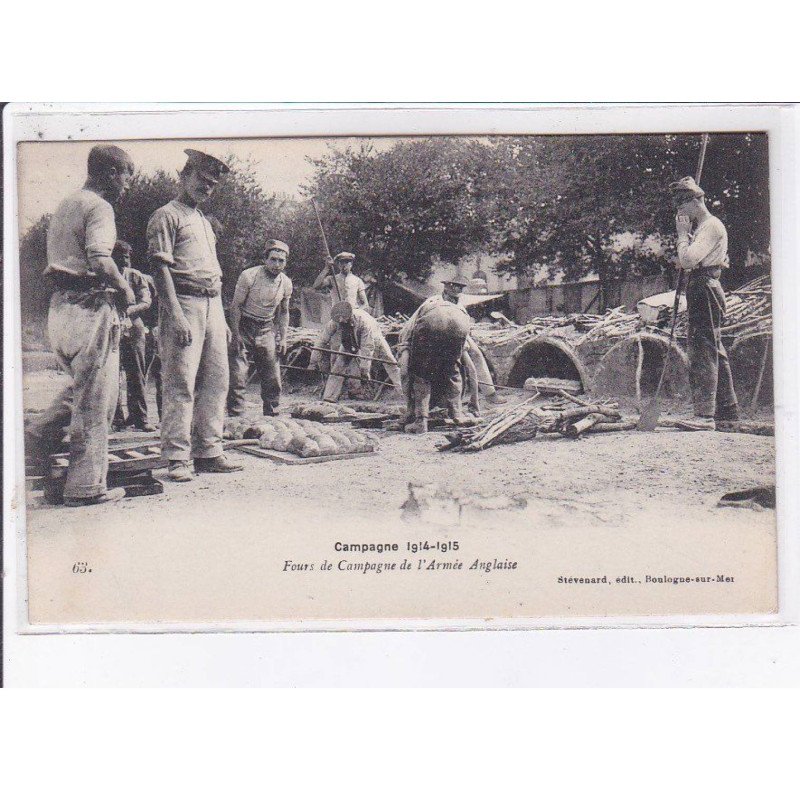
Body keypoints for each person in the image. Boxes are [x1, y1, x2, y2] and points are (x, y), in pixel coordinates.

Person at [25, 144, 135, 505]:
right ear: (109, 173)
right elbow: (100, 259)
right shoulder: (99, 206)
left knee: (81, 389)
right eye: (126, 175)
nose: (128, 185)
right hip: (90, 307)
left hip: (60, 308)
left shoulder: (66, 204)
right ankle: (86, 489)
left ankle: (40, 431)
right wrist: (125, 289)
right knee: (97, 401)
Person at [146, 148, 242, 481]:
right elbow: (160, 269)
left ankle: (209, 451)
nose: (206, 188)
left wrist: (224, 319)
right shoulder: (165, 215)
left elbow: (212, 270)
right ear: (185, 175)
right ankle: (176, 457)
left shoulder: (202, 220)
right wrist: (174, 314)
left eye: (212, 184)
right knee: (180, 383)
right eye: (202, 180)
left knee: (218, 381)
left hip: (212, 304)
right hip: (183, 303)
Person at [669, 176, 740, 431]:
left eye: (681, 207)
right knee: (714, 347)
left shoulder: (710, 226)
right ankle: (727, 412)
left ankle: (704, 416)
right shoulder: (704, 227)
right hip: (703, 285)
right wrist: (687, 236)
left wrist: (681, 236)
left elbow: (687, 260)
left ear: (693, 201)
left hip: (704, 287)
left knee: (702, 349)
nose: (680, 214)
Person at [396, 276, 478, 433]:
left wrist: (404, 349)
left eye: (459, 287)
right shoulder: (460, 307)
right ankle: (457, 416)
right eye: (455, 287)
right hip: (459, 328)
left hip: (433, 325)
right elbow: (464, 335)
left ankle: (421, 422)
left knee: (422, 375)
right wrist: (458, 356)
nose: (457, 290)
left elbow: (410, 326)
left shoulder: (430, 302)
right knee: (453, 373)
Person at [227, 240, 293, 417]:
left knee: (272, 376)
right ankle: (236, 416)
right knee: (238, 375)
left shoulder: (286, 283)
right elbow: (235, 307)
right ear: (265, 259)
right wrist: (235, 335)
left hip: (266, 328)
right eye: (273, 259)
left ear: (286, 262)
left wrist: (283, 337)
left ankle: (272, 414)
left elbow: (284, 311)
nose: (276, 265)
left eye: (281, 260)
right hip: (244, 326)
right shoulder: (249, 276)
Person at [309, 301, 403, 403]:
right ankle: (329, 397)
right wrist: (313, 362)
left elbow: (367, 346)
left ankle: (404, 393)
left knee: (390, 362)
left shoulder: (363, 322)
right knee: (338, 367)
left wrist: (365, 370)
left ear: (349, 315)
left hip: (374, 339)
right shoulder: (335, 321)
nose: (341, 321)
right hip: (349, 341)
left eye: (343, 318)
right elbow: (321, 341)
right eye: (338, 319)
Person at [111, 240, 156, 432]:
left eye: (127, 257)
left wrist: (128, 311)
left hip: (134, 326)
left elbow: (146, 301)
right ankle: (116, 419)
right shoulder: (105, 276)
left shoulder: (136, 276)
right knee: (112, 374)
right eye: (120, 257)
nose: (124, 260)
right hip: (111, 325)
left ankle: (140, 418)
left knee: (136, 373)